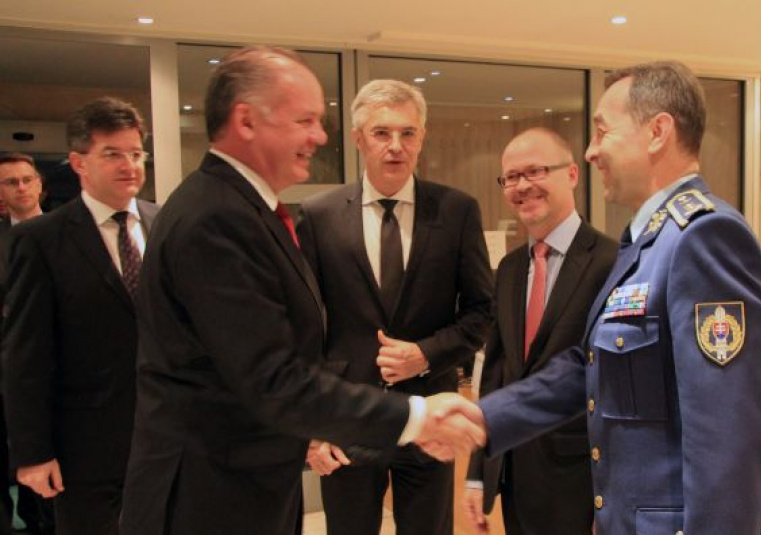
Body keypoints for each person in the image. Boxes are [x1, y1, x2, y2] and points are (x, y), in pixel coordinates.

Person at [119, 46, 483, 535]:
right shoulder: (218, 218)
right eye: (305, 120)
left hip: (241, 481)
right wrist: (416, 416)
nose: (320, 136)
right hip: (209, 495)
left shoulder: (242, 209)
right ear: (246, 121)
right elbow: (271, 375)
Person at [473, 61, 761, 534]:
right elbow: (591, 368)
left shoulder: (704, 236)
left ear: (658, 132)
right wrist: (486, 417)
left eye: (602, 132)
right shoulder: (646, 243)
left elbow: (730, 439)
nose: (591, 151)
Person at [298, 79, 493, 535]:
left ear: (422, 138)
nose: (395, 146)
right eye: (382, 133)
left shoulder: (457, 211)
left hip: (430, 418)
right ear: (359, 139)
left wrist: (425, 354)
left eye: (408, 133)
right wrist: (310, 426)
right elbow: (303, 327)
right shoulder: (319, 215)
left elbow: (482, 311)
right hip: (347, 418)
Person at [2, 99, 159, 535]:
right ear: (78, 163)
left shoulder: (164, 222)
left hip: (166, 437)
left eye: (136, 153)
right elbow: (25, 355)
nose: (129, 165)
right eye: (112, 154)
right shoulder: (41, 239)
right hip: (86, 445)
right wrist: (32, 452)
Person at [463, 129, 616, 535]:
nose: (522, 186)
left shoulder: (612, 262)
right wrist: (478, 472)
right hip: (515, 476)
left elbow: (615, 386)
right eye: (511, 177)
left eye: (535, 171)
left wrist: (614, 502)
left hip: (581, 482)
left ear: (572, 174)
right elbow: (496, 374)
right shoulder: (509, 269)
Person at [0, 152, 55, 535]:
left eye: (26, 179)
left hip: (58, 369)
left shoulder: (66, 231)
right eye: (10, 182)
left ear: (40, 185)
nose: (21, 188)